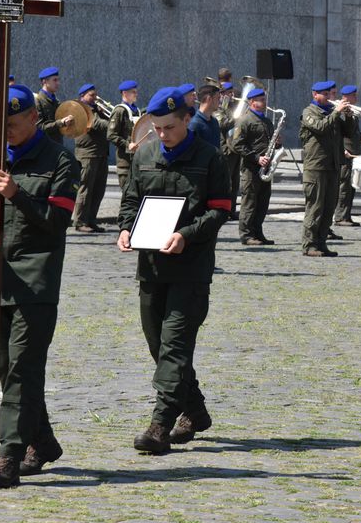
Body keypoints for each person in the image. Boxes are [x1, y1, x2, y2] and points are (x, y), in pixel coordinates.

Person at [0, 84, 80, 488]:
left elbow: (56, 222)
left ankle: (8, 456)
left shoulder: (61, 160)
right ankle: (42, 441)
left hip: (36, 280)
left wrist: (17, 193)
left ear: (33, 118)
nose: (5, 132)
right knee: (4, 366)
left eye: (12, 124)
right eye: (0, 125)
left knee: (22, 369)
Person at [117, 86, 231, 454]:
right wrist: (125, 227)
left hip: (191, 268)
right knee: (159, 346)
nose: (162, 134)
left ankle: (160, 425)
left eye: (169, 127)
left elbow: (219, 209)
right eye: (157, 127)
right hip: (151, 267)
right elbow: (132, 199)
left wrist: (185, 235)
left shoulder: (210, 157)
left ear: (186, 119)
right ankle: (195, 411)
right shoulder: (145, 154)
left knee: (176, 346)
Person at [300, 81, 348, 257]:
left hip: (333, 165)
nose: (329, 97)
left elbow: (349, 133)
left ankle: (321, 243)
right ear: (315, 94)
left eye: (330, 94)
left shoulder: (331, 113)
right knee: (315, 207)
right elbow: (320, 128)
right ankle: (309, 244)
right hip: (316, 166)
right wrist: (336, 112)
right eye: (325, 94)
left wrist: (348, 116)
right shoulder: (308, 112)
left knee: (329, 208)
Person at [230, 87, 275, 246]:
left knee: (263, 202)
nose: (263, 102)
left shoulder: (267, 121)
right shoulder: (244, 120)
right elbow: (236, 144)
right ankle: (247, 234)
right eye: (260, 100)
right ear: (251, 102)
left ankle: (258, 232)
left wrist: (277, 145)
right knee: (249, 202)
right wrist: (257, 158)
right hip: (251, 168)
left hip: (266, 168)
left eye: (264, 99)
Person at [70, 84, 109, 232]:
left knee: (98, 190)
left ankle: (91, 220)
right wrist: (115, 123)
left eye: (95, 95)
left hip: (100, 153)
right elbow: (97, 124)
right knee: (86, 189)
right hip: (87, 154)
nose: (95, 98)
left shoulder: (95, 108)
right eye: (92, 95)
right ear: (82, 96)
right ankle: (80, 222)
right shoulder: (80, 109)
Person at [334, 85, 361, 227]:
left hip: (354, 154)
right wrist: (342, 150)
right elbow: (338, 133)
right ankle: (340, 216)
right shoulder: (340, 111)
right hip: (346, 154)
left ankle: (347, 215)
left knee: (351, 187)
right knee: (343, 187)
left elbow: (353, 131)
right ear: (346, 97)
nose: (356, 98)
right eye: (353, 95)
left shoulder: (351, 111)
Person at [213, 82, 241, 219]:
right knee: (227, 182)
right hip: (225, 149)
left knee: (235, 183)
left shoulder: (233, 107)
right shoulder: (217, 109)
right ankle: (224, 210)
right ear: (222, 94)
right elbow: (222, 123)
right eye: (229, 93)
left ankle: (232, 210)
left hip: (235, 149)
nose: (232, 95)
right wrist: (237, 118)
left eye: (232, 92)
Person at [107, 80, 140, 192]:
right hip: (125, 162)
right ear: (125, 93)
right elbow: (111, 135)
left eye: (136, 92)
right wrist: (127, 144)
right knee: (127, 195)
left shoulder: (137, 111)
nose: (136, 94)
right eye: (133, 92)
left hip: (137, 161)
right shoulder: (119, 111)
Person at [34, 67, 72, 143]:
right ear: (45, 81)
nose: (58, 83)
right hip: (44, 146)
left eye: (58, 80)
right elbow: (39, 127)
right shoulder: (38, 100)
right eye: (54, 80)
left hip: (57, 144)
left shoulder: (56, 100)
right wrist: (60, 123)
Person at [187, 84, 223, 150]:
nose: (220, 101)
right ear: (209, 99)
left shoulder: (214, 121)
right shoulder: (194, 124)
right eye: (218, 98)